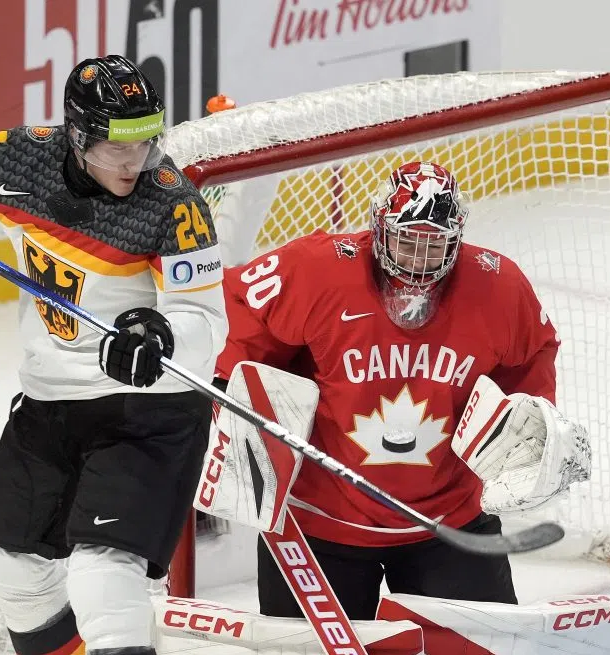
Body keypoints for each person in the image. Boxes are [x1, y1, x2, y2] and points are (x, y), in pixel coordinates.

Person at [0, 55, 226, 655]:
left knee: (102, 574)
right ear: (79, 135)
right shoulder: (11, 159)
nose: (136, 161)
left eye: (147, 141)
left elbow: (208, 323)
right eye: (119, 147)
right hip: (50, 400)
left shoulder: (174, 206)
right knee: (9, 564)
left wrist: (158, 334)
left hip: (150, 407)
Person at [216, 161, 566, 620]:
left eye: (434, 244)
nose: (419, 262)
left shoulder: (498, 286)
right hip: (318, 522)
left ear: (456, 238)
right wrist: (227, 390)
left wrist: (532, 421)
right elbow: (240, 307)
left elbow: (532, 356)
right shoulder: (316, 268)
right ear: (380, 227)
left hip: (449, 521)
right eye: (406, 241)